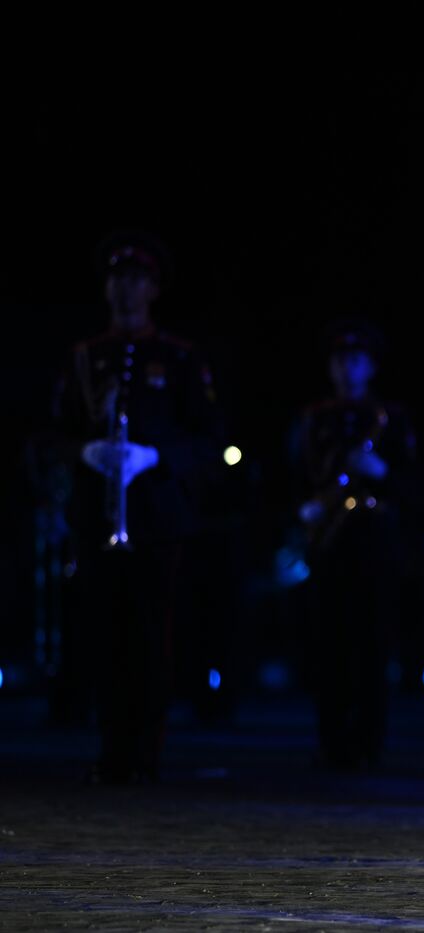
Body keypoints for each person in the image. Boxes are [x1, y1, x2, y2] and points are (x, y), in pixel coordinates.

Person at [54, 229, 223, 784]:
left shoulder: (178, 358)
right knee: (102, 632)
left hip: (155, 517)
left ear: (153, 288)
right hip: (98, 513)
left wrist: (153, 455)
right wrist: (85, 449)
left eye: (137, 280)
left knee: (151, 634)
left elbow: (208, 441)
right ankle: (110, 749)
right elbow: (51, 435)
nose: (125, 289)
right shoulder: (85, 357)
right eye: (117, 279)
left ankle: (145, 751)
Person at [292, 318, 418, 770]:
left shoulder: (390, 418)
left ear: (371, 366)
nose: (348, 367)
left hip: (374, 540)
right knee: (328, 644)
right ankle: (331, 740)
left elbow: (416, 486)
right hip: (326, 539)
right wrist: (304, 508)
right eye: (341, 359)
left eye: (357, 359)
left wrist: (382, 472)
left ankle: (368, 742)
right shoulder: (312, 418)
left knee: (372, 644)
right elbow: (292, 476)